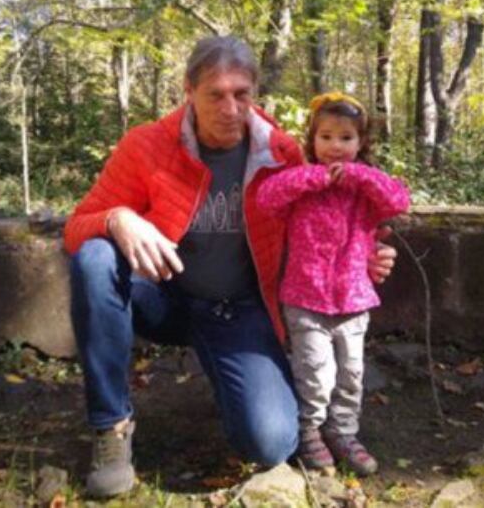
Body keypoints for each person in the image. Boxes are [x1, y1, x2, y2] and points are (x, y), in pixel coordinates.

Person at [64, 36, 398, 498]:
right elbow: (76, 227)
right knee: (95, 256)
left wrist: (364, 256)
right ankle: (111, 427)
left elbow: (323, 225)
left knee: (271, 442)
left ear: (255, 93)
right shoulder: (147, 145)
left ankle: (234, 379)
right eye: (215, 94)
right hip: (163, 297)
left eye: (241, 93)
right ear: (188, 90)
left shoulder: (280, 153)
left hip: (236, 309)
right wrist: (117, 219)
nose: (230, 107)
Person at [254, 92, 409, 475]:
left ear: (361, 143)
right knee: (315, 373)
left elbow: (398, 200)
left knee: (351, 374)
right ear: (312, 140)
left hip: (354, 301)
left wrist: (358, 175)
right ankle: (309, 433)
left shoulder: (365, 187)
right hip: (305, 299)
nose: (335, 146)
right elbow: (266, 198)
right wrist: (315, 178)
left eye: (345, 138)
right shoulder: (300, 184)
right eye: (325, 136)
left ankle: (342, 432)